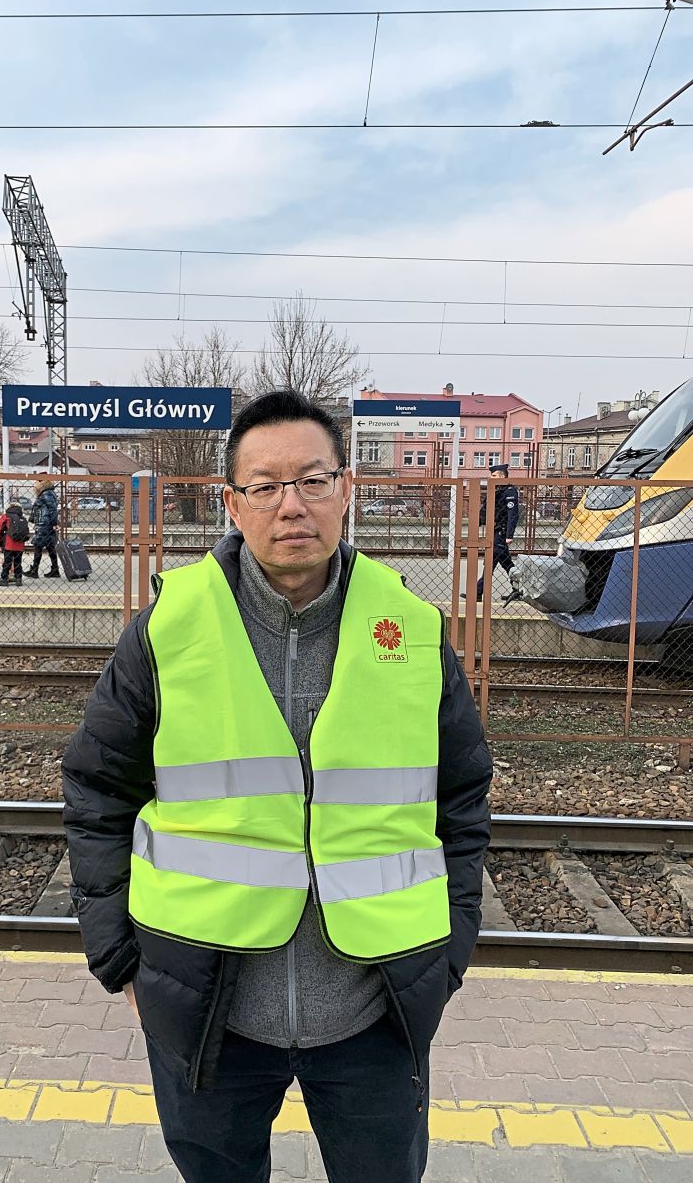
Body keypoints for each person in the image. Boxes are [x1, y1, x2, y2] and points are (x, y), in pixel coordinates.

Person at [63, 389, 493, 1183]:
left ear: (346, 490)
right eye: (264, 486)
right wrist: (120, 960)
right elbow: (96, 789)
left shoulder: (412, 631)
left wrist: (450, 953)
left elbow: (462, 802)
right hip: (209, 1009)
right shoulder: (171, 627)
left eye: (312, 481)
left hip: (376, 1011)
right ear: (234, 502)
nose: (290, 505)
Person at [476, 462, 520, 601]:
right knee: (502, 562)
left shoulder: (509, 491)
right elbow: (485, 511)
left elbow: (513, 514)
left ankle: (478, 592)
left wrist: (509, 535)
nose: (491, 477)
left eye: (494, 475)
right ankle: (518, 589)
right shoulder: (495, 490)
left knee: (495, 561)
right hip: (494, 532)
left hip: (501, 533)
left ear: (501, 476)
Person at [25, 477, 60, 577]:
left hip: (44, 525)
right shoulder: (46, 493)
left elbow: (53, 510)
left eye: (36, 481)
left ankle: (34, 570)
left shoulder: (46, 494)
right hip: (45, 524)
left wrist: (54, 523)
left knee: (38, 546)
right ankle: (55, 569)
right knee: (50, 547)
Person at [0, 501, 29, 586]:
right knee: (18, 562)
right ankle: (18, 579)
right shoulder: (22, 517)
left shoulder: (6, 516)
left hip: (9, 544)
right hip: (20, 544)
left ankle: (4, 579)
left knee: (7, 562)